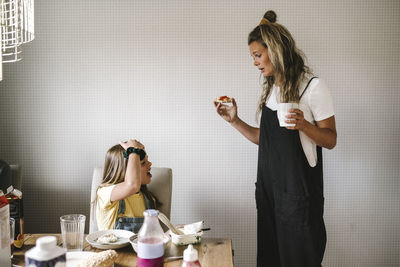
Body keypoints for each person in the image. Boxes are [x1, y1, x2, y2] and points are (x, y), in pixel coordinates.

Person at [214, 10, 337, 267]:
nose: (255, 62)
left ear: (276, 50)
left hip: (298, 200)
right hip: (271, 197)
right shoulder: (272, 90)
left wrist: (304, 124)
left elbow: (330, 139)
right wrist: (234, 120)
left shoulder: (313, 87)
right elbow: (265, 140)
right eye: (253, 57)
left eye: (258, 55)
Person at [96, 139, 159, 233]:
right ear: (125, 170)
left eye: (147, 160)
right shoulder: (105, 193)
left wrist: (171, 233)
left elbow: (153, 236)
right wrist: (133, 150)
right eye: (142, 163)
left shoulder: (148, 199)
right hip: (112, 248)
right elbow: (132, 185)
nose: (150, 164)